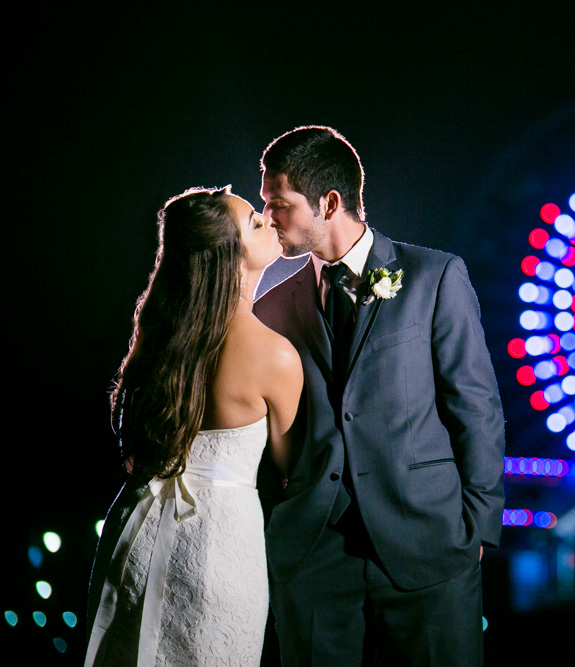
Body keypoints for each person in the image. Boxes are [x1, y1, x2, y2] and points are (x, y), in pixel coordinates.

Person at [253, 125, 505, 665]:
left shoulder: (434, 277)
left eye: (279, 203)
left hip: (430, 543)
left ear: (330, 202)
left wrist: (478, 526)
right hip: (314, 554)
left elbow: (475, 405)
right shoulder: (271, 307)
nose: (269, 217)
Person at [85, 187, 303, 666]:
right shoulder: (276, 355)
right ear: (230, 255)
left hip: (135, 534)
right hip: (218, 548)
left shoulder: (162, 336)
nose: (268, 219)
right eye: (253, 222)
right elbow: (295, 469)